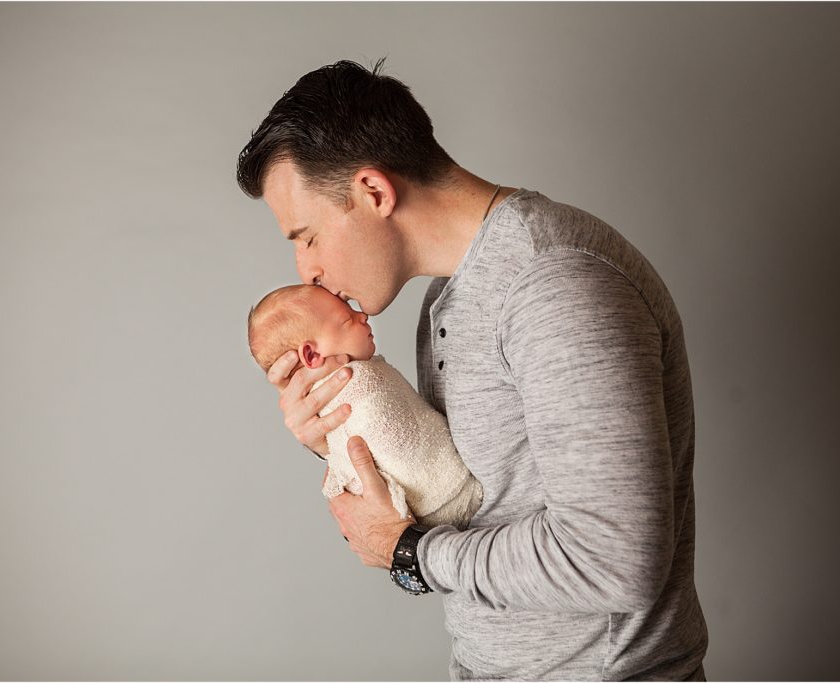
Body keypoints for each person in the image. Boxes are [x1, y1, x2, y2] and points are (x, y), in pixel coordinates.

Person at [236, 58, 709, 680]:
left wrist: (408, 554)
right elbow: (470, 494)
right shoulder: (450, 296)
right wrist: (336, 437)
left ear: (374, 192)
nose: (307, 270)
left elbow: (615, 560)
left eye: (306, 235)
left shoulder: (554, 283)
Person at [245, 283, 483, 531]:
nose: (363, 315)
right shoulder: (358, 389)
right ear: (312, 356)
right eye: (347, 319)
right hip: (444, 498)